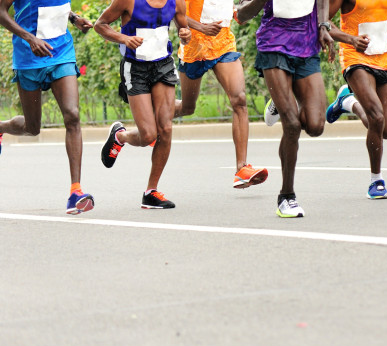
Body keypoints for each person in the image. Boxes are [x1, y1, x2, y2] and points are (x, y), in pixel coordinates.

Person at [103, 0, 268, 189]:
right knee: (188, 108)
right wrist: (201, 28)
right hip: (194, 50)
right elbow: (176, 12)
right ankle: (132, 129)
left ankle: (241, 168)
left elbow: (238, 12)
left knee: (239, 99)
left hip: (223, 45)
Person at [235, 0, 334, 218]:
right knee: (292, 126)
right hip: (274, 46)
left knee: (316, 126)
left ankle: (282, 99)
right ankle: (287, 196)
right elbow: (241, 14)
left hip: (307, 47)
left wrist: (324, 26)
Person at [0, 0, 95, 214]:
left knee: (72, 115)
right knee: (32, 128)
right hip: (28, 56)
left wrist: (74, 18)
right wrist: (30, 37)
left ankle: (75, 192)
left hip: (61, 52)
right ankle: (1, 128)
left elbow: (57, 5)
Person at [94, 0, 191, 209]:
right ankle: (120, 136)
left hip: (163, 65)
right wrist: (123, 38)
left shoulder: (176, 2)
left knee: (165, 128)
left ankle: (151, 191)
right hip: (135, 68)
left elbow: (185, 29)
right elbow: (100, 25)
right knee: (148, 135)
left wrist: (186, 35)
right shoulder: (128, 1)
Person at [325, 0, 387, 199]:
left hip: (384, 58)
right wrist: (351, 39)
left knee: (386, 131)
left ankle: (348, 101)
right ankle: (376, 180)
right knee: (377, 117)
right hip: (355, 56)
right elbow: (322, 21)